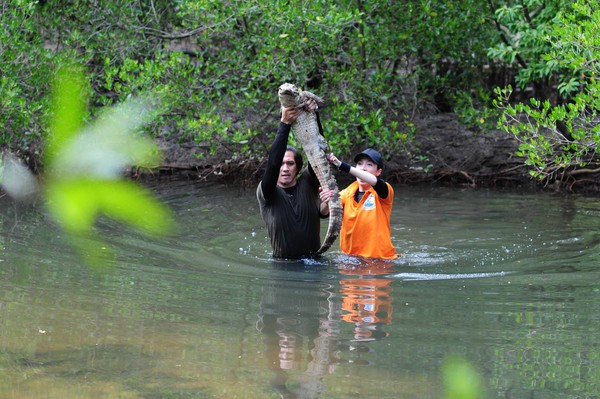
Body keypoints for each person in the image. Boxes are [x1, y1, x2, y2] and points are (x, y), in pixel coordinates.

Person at [257, 99, 333, 259]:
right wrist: (284, 123)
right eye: (282, 164)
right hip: (283, 267)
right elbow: (272, 164)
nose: (284, 168)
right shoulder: (267, 192)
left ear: (298, 168)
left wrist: (314, 115)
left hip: (315, 264)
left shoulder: (307, 182)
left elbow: (319, 152)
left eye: (290, 164)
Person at [327, 149, 397, 259]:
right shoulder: (346, 194)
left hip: (379, 261)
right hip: (350, 260)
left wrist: (341, 165)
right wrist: (324, 197)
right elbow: (324, 212)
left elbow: (375, 182)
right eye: (359, 164)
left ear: (378, 171)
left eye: (369, 164)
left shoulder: (384, 191)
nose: (363, 168)